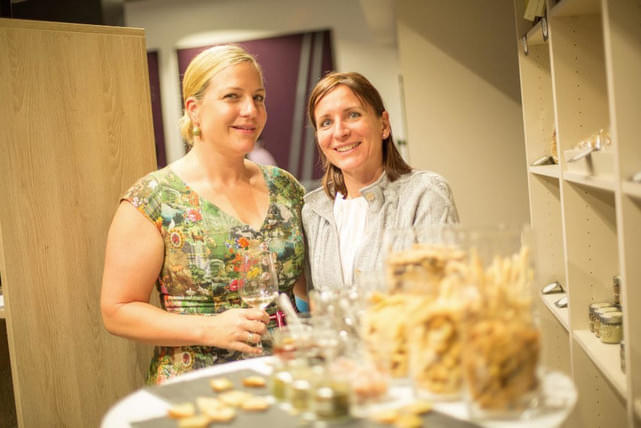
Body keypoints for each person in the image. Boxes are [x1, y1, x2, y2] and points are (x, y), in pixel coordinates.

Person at [101, 45, 306, 384]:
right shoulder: (154, 199)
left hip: (288, 377)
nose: (250, 110)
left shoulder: (285, 188)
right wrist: (209, 328)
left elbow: (307, 289)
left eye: (258, 98)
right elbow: (117, 311)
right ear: (194, 110)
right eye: (232, 96)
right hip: (199, 386)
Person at [302, 72, 459, 289]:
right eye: (326, 122)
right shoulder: (313, 212)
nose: (340, 132)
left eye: (353, 115)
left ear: (383, 125)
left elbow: (444, 293)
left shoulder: (425, 194)